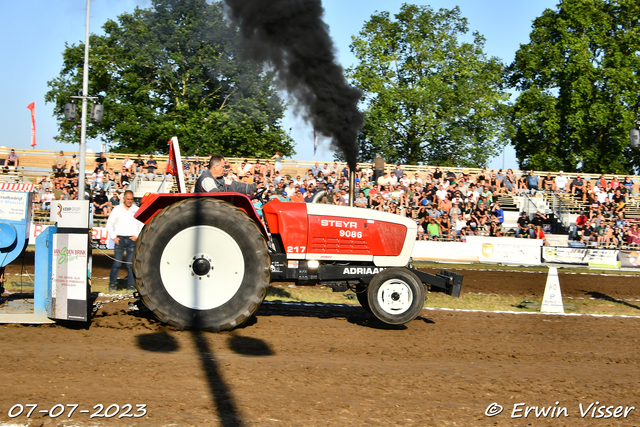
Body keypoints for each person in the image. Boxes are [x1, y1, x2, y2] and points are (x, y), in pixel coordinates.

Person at [106, 190, 143, 292]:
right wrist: (113, 237)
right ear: (123, 198)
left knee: (130, 264)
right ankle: (112, 285)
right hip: (120, 239)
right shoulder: (117, 209)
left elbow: (141, 225)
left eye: (131, 199)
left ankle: (131, 286)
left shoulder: (136, 209)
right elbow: (109, 224)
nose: (130, 201)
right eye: (128, 199)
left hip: (132, 240)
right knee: (117, 264)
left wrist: (137, 235)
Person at [195, 154, 263, 194]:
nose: (224, 169)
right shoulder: (206, 179)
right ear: (215, 167)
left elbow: (236, 186)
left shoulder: (221, 178)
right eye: (223, 167)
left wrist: (254, 187)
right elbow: (216, 196)